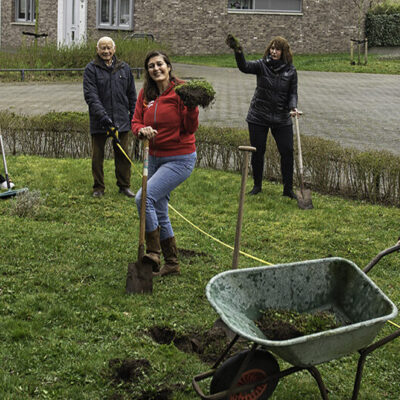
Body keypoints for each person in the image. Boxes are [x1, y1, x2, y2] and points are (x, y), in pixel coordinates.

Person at [131, 50, 199, 276]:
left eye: (159, 64)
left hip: (179, 158)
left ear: (168, 66)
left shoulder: (182, 91)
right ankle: (172, 263)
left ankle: (153, 252)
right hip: (154, 156)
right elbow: (136, 121)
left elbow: (190, 128)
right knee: (158, 207)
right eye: (151, 66)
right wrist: (142, 130)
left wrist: (191, 107)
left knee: (144, 198)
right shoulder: (146, 93)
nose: (156, 69)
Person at [228, 35, 299, 198]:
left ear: (284, 52)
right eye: (272, 48)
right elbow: (244, 67)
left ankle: (288, 189)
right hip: (258, 116)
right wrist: (238, 52)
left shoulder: (291, 70)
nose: (274, 52)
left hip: (281, 117)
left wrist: (293, 107)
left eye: (277, 49)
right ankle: (257, 186)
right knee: (258, 152)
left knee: (287, 151)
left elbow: (292, 93)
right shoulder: (262, 65)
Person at [83, 36, 137, 198]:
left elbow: (132, 95)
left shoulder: (124, 68)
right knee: (97, 156)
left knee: (123, 155)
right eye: (102, 48)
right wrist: (104, 117)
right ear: (97, 50)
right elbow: (91, 96)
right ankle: (98, 187)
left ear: (114, 49)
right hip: (100, 121)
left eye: (108, 48)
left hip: (122, 121)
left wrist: (134, 117)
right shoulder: (91, 69)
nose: (106, 51)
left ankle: (124, 186)